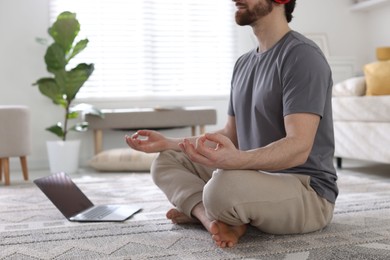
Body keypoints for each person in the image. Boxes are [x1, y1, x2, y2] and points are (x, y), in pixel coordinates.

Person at [126, 0, 338, 248]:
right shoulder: (243, 64)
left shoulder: (302, 56)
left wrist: (236, 161)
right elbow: (231, 134)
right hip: (256, 176)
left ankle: (219, 209)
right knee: (166, 160)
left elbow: (299, 146)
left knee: (222, 188)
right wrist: (170, 143)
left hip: (307, 191)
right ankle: (210, 218)